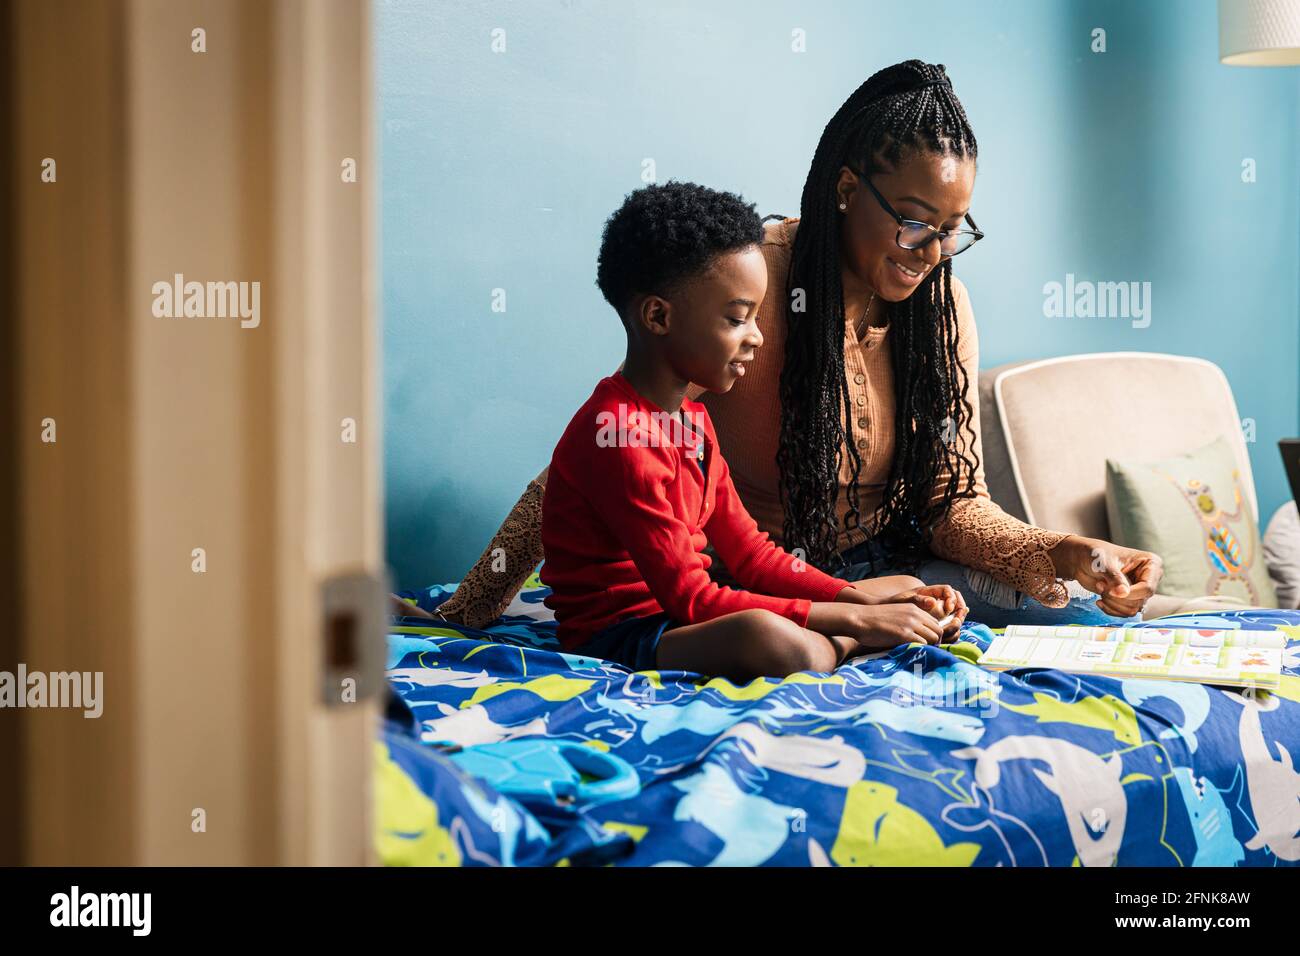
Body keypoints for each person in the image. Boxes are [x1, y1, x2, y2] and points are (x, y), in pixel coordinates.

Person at [434, 59, 1163, 632]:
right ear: (848, 187)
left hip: (888, 561)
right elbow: (600, 450)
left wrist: (1067, 552)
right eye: (915, 222)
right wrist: (469, 608)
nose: (934, 251)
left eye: (953, 228)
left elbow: (951, 503)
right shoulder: (748, 285)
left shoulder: (943, 312)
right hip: (754, 575)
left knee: (1078, 612)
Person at [537, 181, 966, 680]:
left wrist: (857, 599)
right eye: (738, 319)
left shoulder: (693, 420)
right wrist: (859, 617)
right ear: (658, 316)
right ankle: (843, 641)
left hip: (680, 616)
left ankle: (851, 633)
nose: (757, 338)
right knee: (767, 637)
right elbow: (693, 599)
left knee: (895, 583)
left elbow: (753, 555)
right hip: (627, 632)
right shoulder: (619, 435)